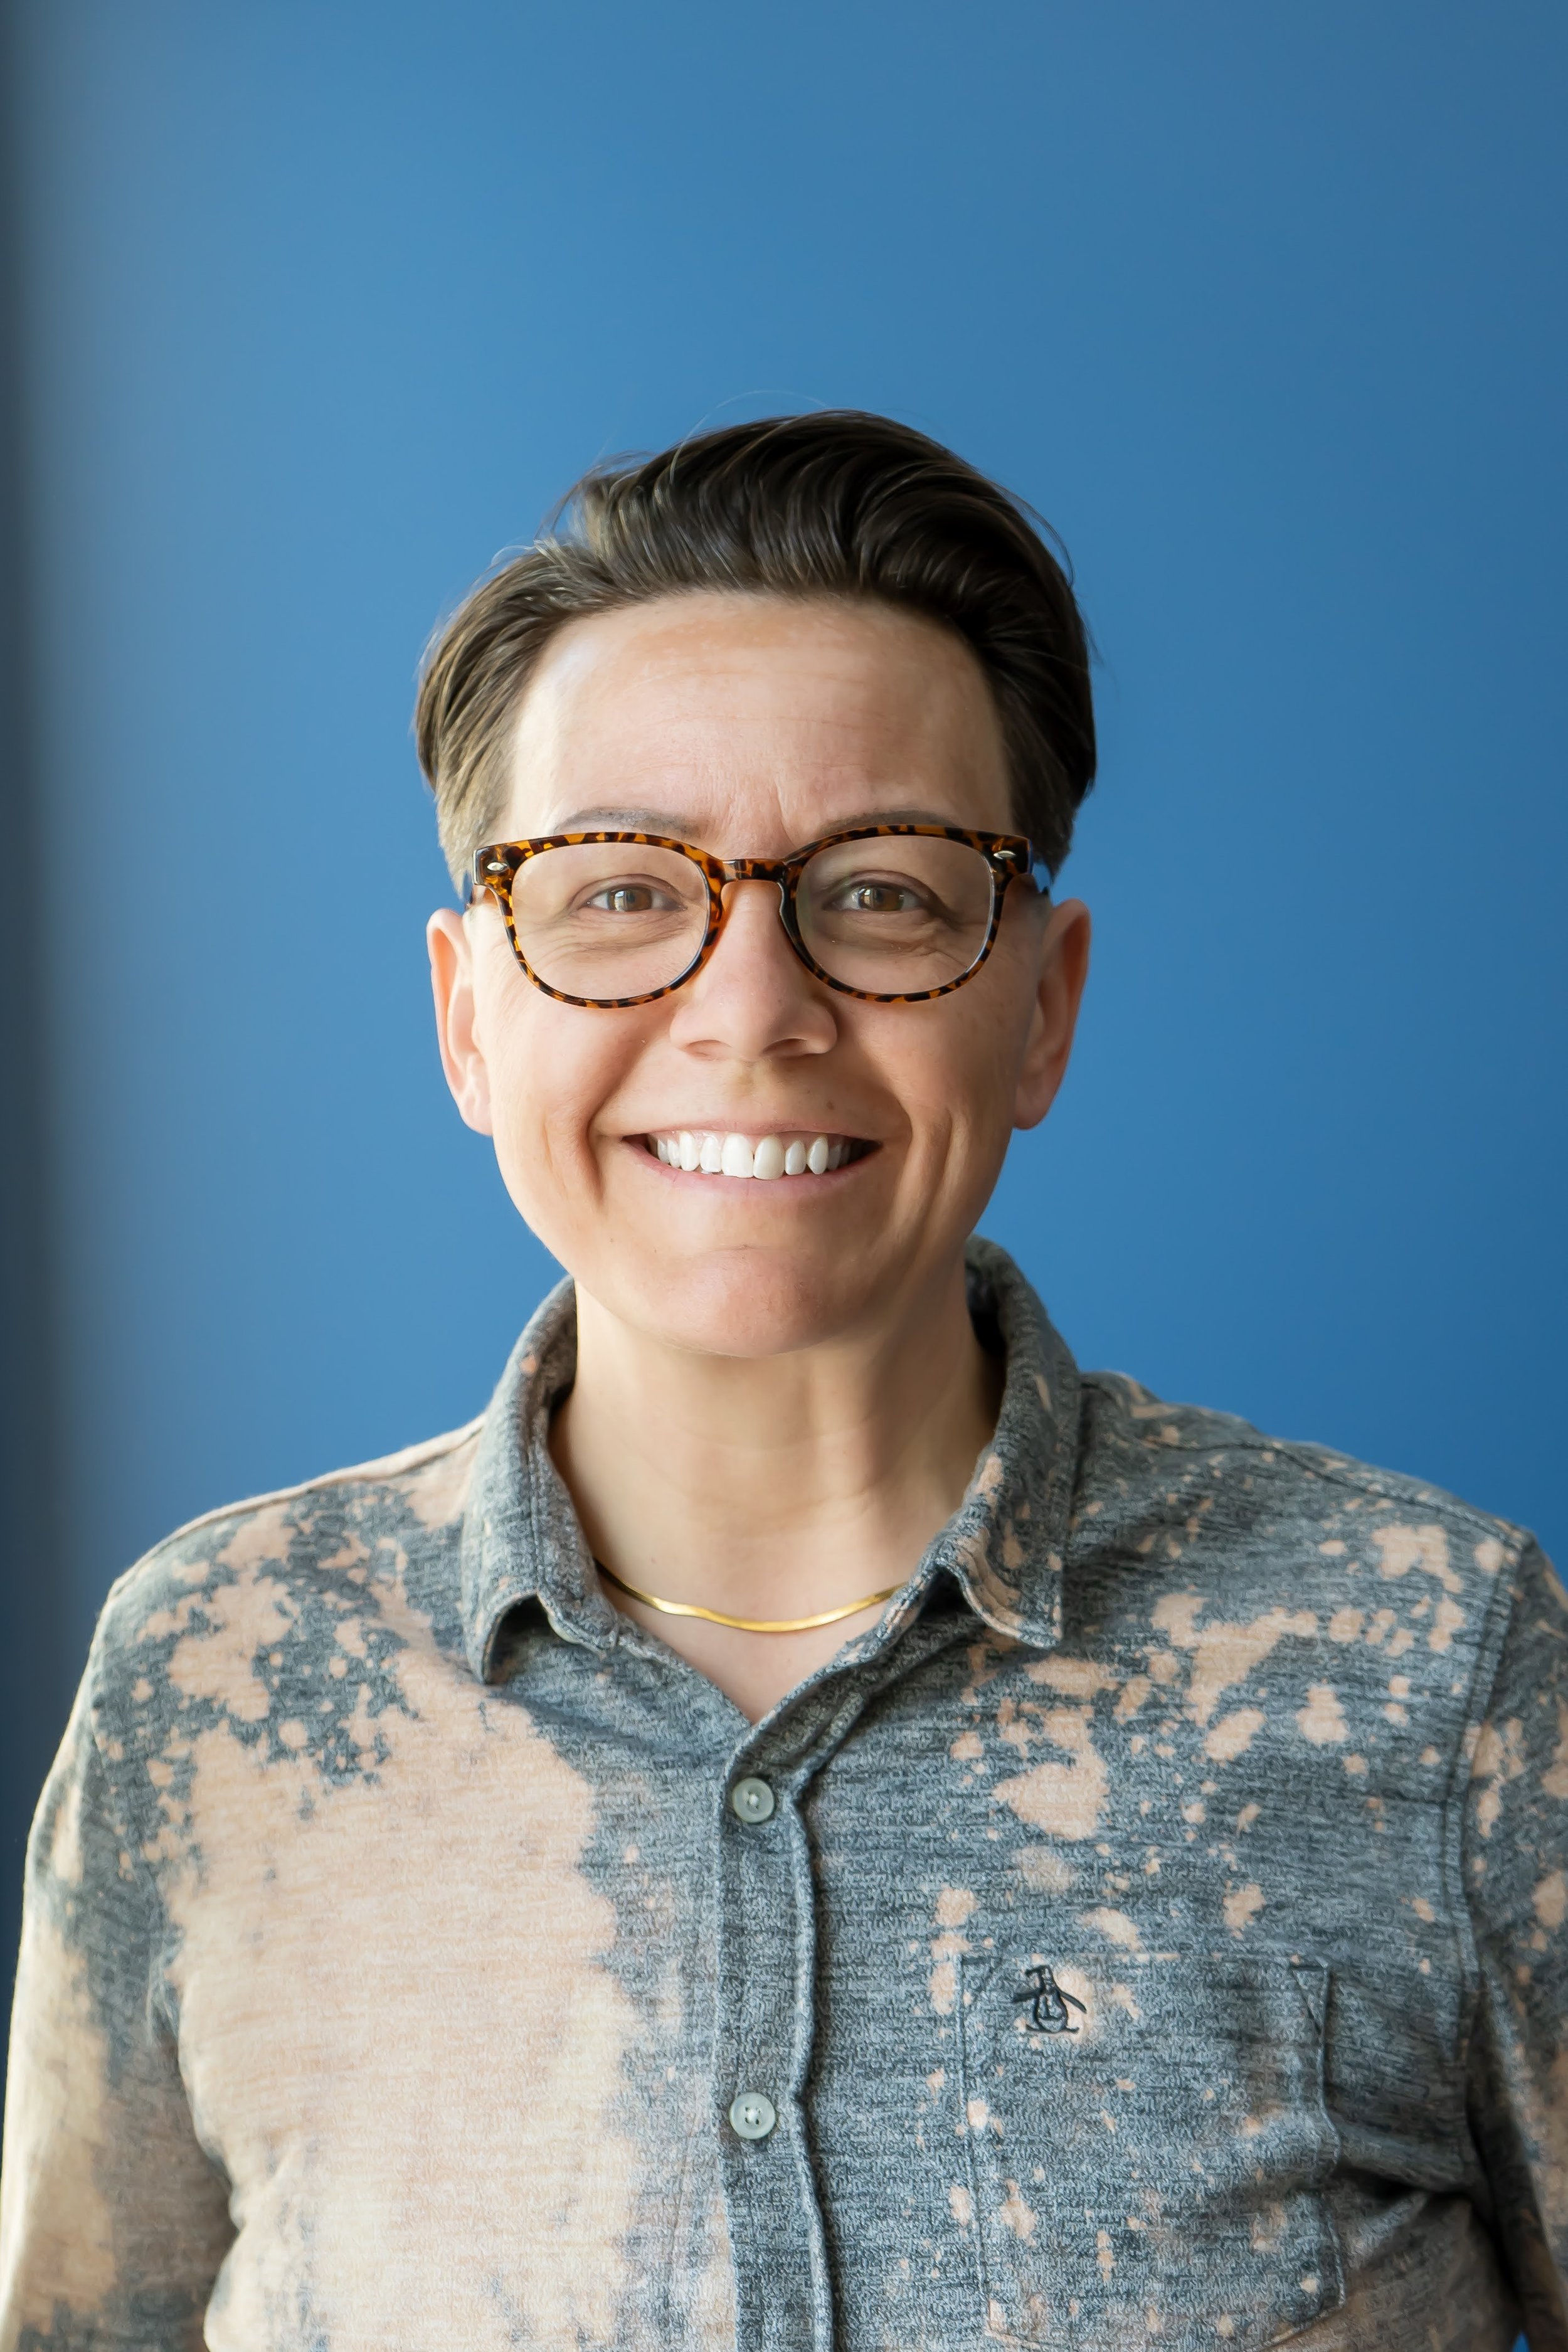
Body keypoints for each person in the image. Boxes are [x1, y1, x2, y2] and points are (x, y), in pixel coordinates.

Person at [1, 412, 1563, 2352]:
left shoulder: (1431, 1668)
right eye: (619, 893)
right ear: (464, 1017)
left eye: (885, 890)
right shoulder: (215, 1683)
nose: (750, 1011)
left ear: (1043, 1007)